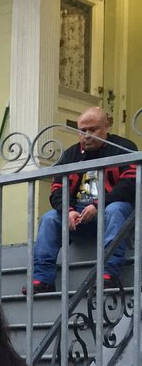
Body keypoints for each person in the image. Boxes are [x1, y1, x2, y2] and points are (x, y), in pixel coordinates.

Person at [25, 107, 137, 294]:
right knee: (49, 218)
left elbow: (130, 184)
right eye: (82, 130)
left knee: (116, 209)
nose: (87, 135)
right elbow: (57, 189)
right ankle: (42, 279)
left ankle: (108, 274)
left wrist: (98, 205)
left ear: (106, 127)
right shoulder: (70, 155)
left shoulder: (123, 147)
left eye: (93, 130)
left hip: (111, 211)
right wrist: (68, 211)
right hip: (78, 213)